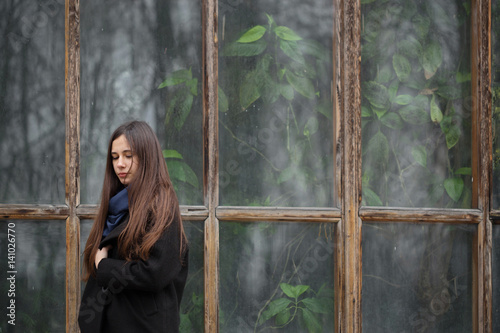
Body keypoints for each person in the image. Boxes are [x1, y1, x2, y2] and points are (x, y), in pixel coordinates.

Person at [78, 120, 188, 333]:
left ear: (147, 157)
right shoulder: (117, 204)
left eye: (129, 156)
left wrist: (104, 266)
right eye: (115, 157)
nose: (120, 164)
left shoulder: (162, 205)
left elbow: (155, 272)